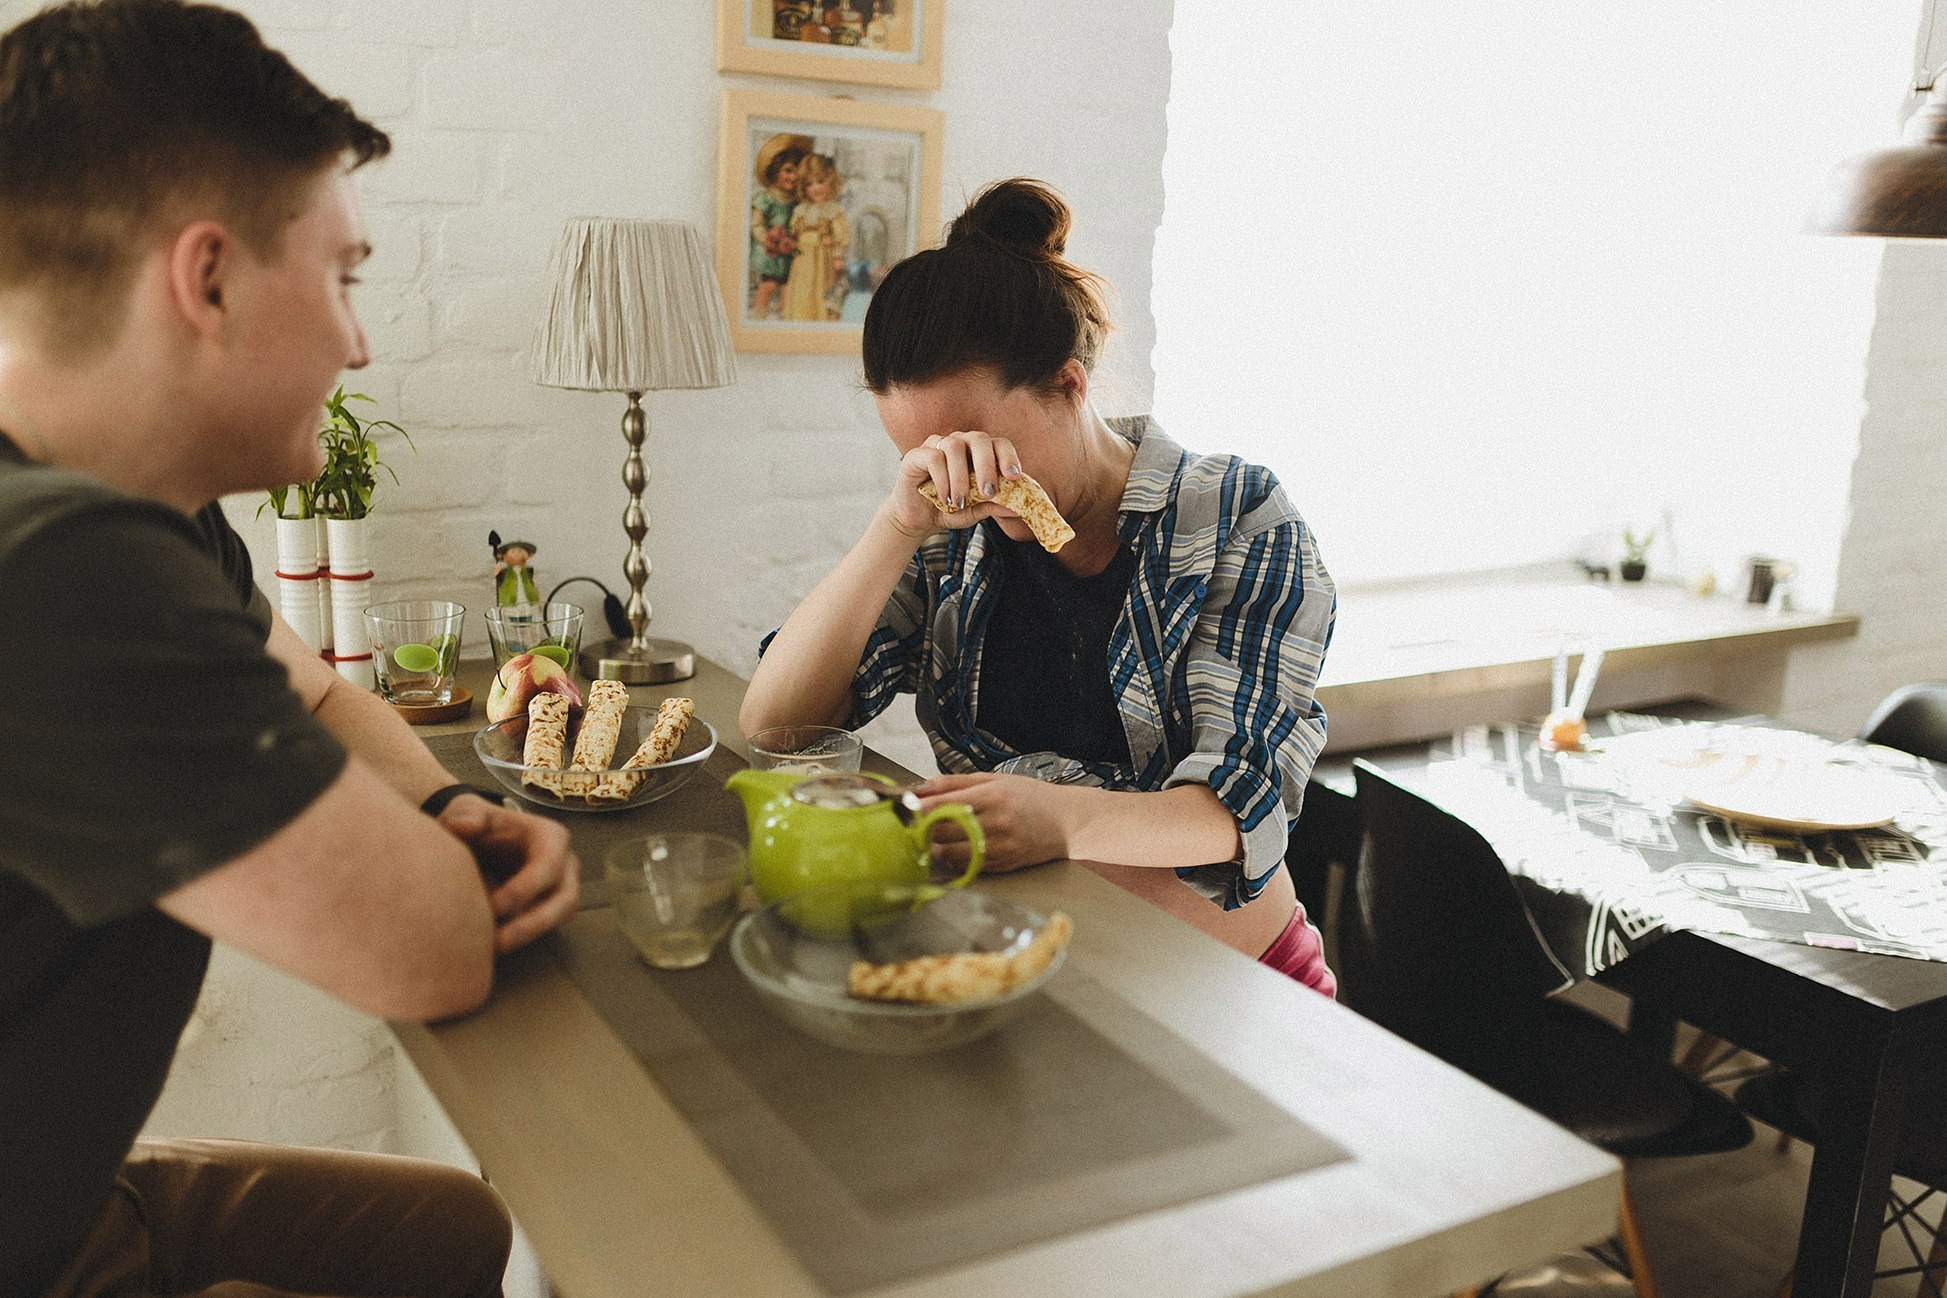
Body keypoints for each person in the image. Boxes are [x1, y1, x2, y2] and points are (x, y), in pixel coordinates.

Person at [0, 3, 580, 1295]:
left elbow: (314, 690)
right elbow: (429, 952)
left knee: (463, 1232)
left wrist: (444, 805)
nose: (358, 340)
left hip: (67, 1195)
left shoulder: (143, 508)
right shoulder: (56, 569)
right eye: (344, 277)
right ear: (207, 280)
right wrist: (453, 873)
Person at [741, 178, 1338, 995]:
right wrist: (895, 525)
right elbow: (776, 728)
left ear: (1069, 385)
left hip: (1228, 984)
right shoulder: (948, 529)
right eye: (926, 458)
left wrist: (1064, 819)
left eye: (980, 445)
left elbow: (1237, 810)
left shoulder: (1237, 517)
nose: (969, 483)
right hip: (1021, 971)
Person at [780, 154, 850, 323]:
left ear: (830, 182)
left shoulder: (833, 210)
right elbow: (793, 232)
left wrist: (838, 256)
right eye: (809, 184)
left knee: (821, 290)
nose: (815, 188)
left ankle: (820, 320)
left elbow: (841, 236)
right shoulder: (801, 210)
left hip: (822, 258)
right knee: (802, 290)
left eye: (820, 182)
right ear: (803, 188)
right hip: (802, 259)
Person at [747, 133, 809, 320]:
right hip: (771, 251)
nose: (793, 177)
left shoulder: (797, 202)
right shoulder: (766, 199)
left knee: (787, 289)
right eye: (788, 171)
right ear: (775, 172)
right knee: (768, 286)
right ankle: (758, 318)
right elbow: (756, 224)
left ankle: (784, 322)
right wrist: (768, 238)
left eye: (797, 172)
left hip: (789, 251)